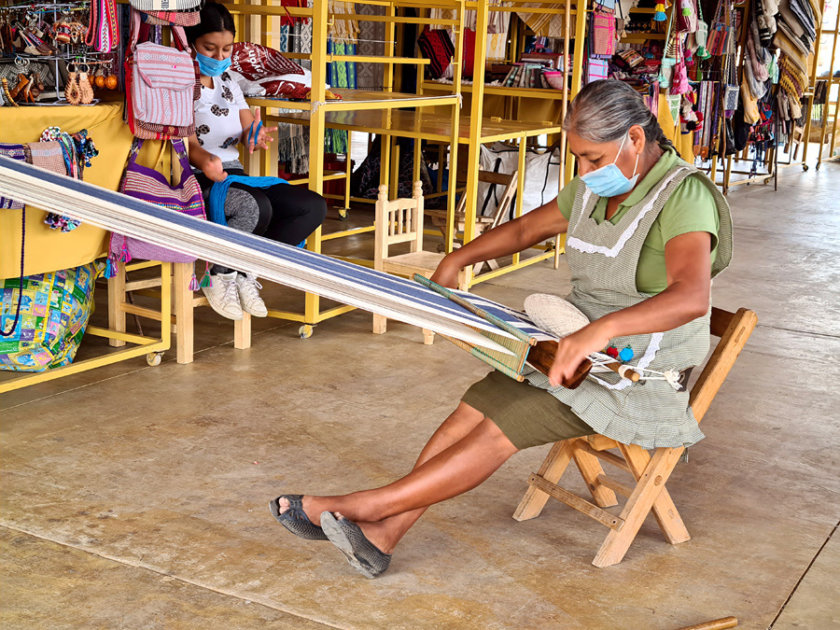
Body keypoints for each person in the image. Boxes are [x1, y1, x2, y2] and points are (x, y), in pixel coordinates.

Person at [269, 80, 733, 578]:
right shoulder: (592, 189)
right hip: (570, 351)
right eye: (577, 157)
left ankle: (360, 505)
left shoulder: (684, 196)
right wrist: (457, 260)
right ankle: (383, 535)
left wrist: (597, 335)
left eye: (593, 159)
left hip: (637, 374)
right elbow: (524, 230)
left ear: (636, 140)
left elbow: (690, 297)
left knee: (499, 428)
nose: (584, 171)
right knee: (472, 409)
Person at [185, 2, 327, 320]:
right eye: (210, 48)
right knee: (254, 206)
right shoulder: (181, 85)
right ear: (191, 42)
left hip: (232, 174)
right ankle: (219, 275)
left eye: (226, 49)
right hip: (196, 178)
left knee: (311, 207)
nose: (219, 57)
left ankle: (247, 270)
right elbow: (188, 144)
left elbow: (248, 124)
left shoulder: (229, 83)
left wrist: (255, 135)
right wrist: (205, 159)